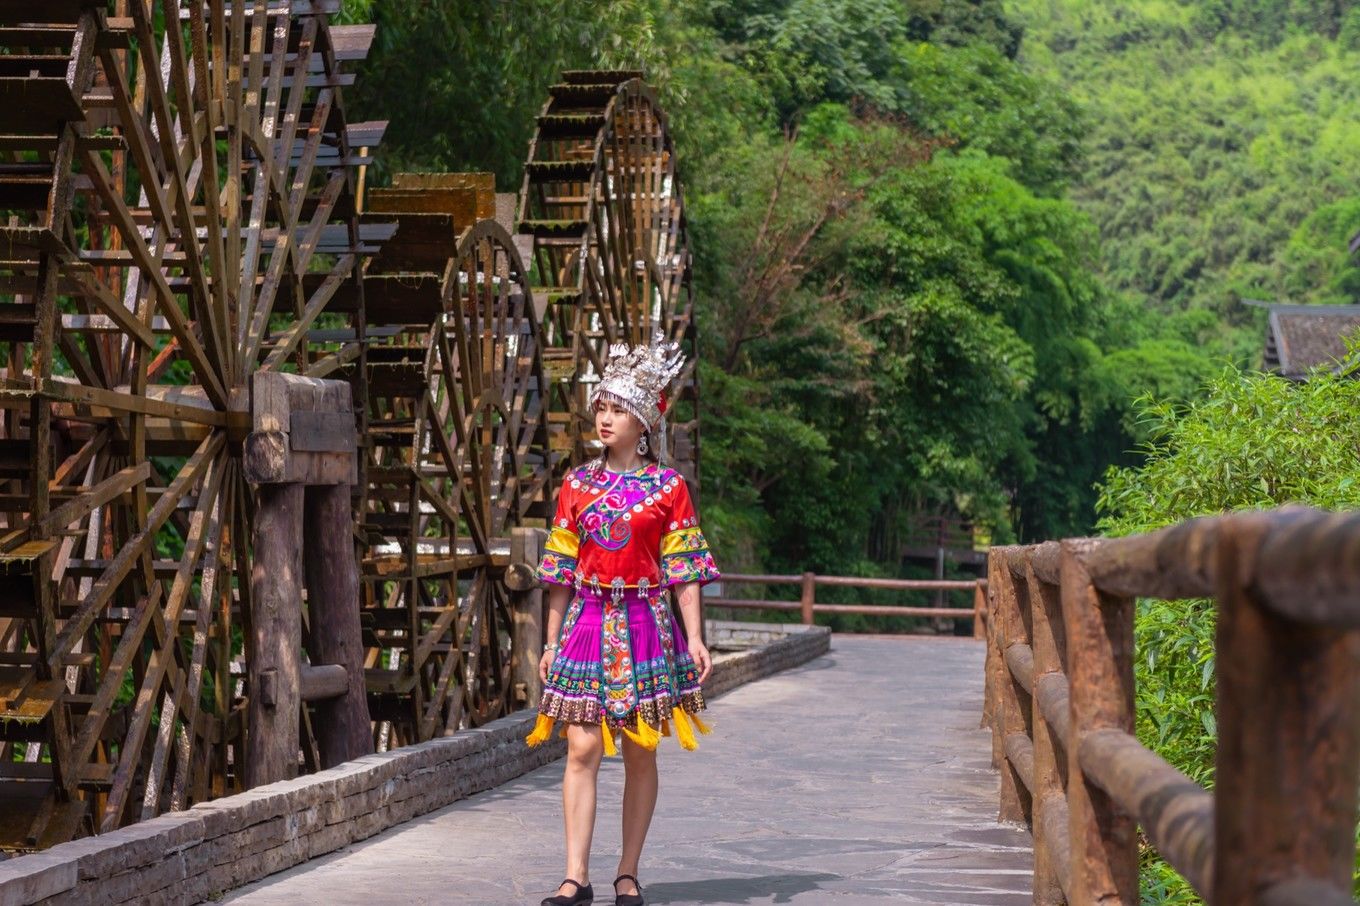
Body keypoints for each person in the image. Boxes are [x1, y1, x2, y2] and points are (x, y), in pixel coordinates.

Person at [525, 334, 721, 906]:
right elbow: (560, 568)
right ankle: (574, 876)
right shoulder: (577, 484)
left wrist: (695, 636)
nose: (605, 419)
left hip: (644, 624)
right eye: (602, 408)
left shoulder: (669, 489)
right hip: (587, 621)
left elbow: (683, 568)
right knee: (581, 748)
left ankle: (627, 872)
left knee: (640, 749)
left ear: (643, 423)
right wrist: (552, 638)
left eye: (618, 410)